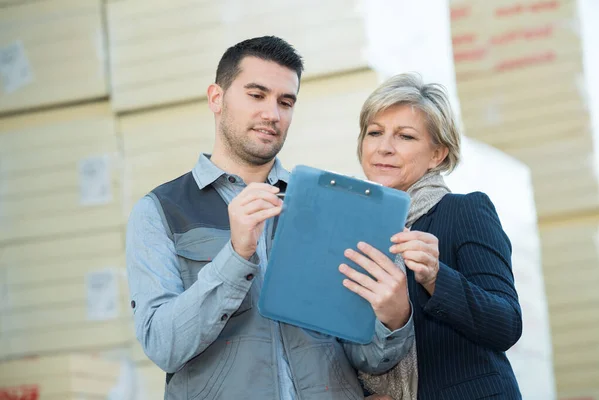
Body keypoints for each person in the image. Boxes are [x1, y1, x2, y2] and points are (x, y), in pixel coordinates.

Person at [126, 36, 414, 400]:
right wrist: (235, 254)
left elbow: (368, 357)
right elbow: (163, 345)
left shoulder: (323, 203)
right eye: (256, 95)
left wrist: (394, 316)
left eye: (285, 101)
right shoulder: (159, 212)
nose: (272, 114)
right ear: (216, 98)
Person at [348, 73, 523, 400]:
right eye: (374, 133)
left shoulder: (464, 211)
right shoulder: (351, 229)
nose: (384, 148)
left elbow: (506, 324)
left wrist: (435, 277)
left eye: (405, 136)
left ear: (438, 154)